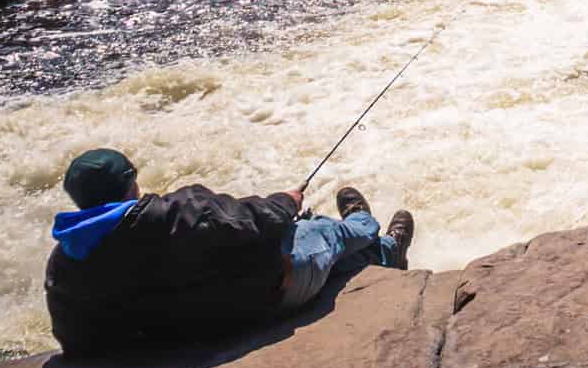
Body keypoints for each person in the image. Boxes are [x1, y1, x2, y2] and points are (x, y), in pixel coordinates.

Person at [45, 148, 416, 357]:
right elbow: (261, 220)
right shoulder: (179, 213)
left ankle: (369, 247)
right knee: (320, 231)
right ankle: (380, 241)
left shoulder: (63, 264)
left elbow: (76, 342)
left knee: (311, 239)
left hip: (188, 334)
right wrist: (287, 200)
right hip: (268, 297)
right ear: (130, 184)